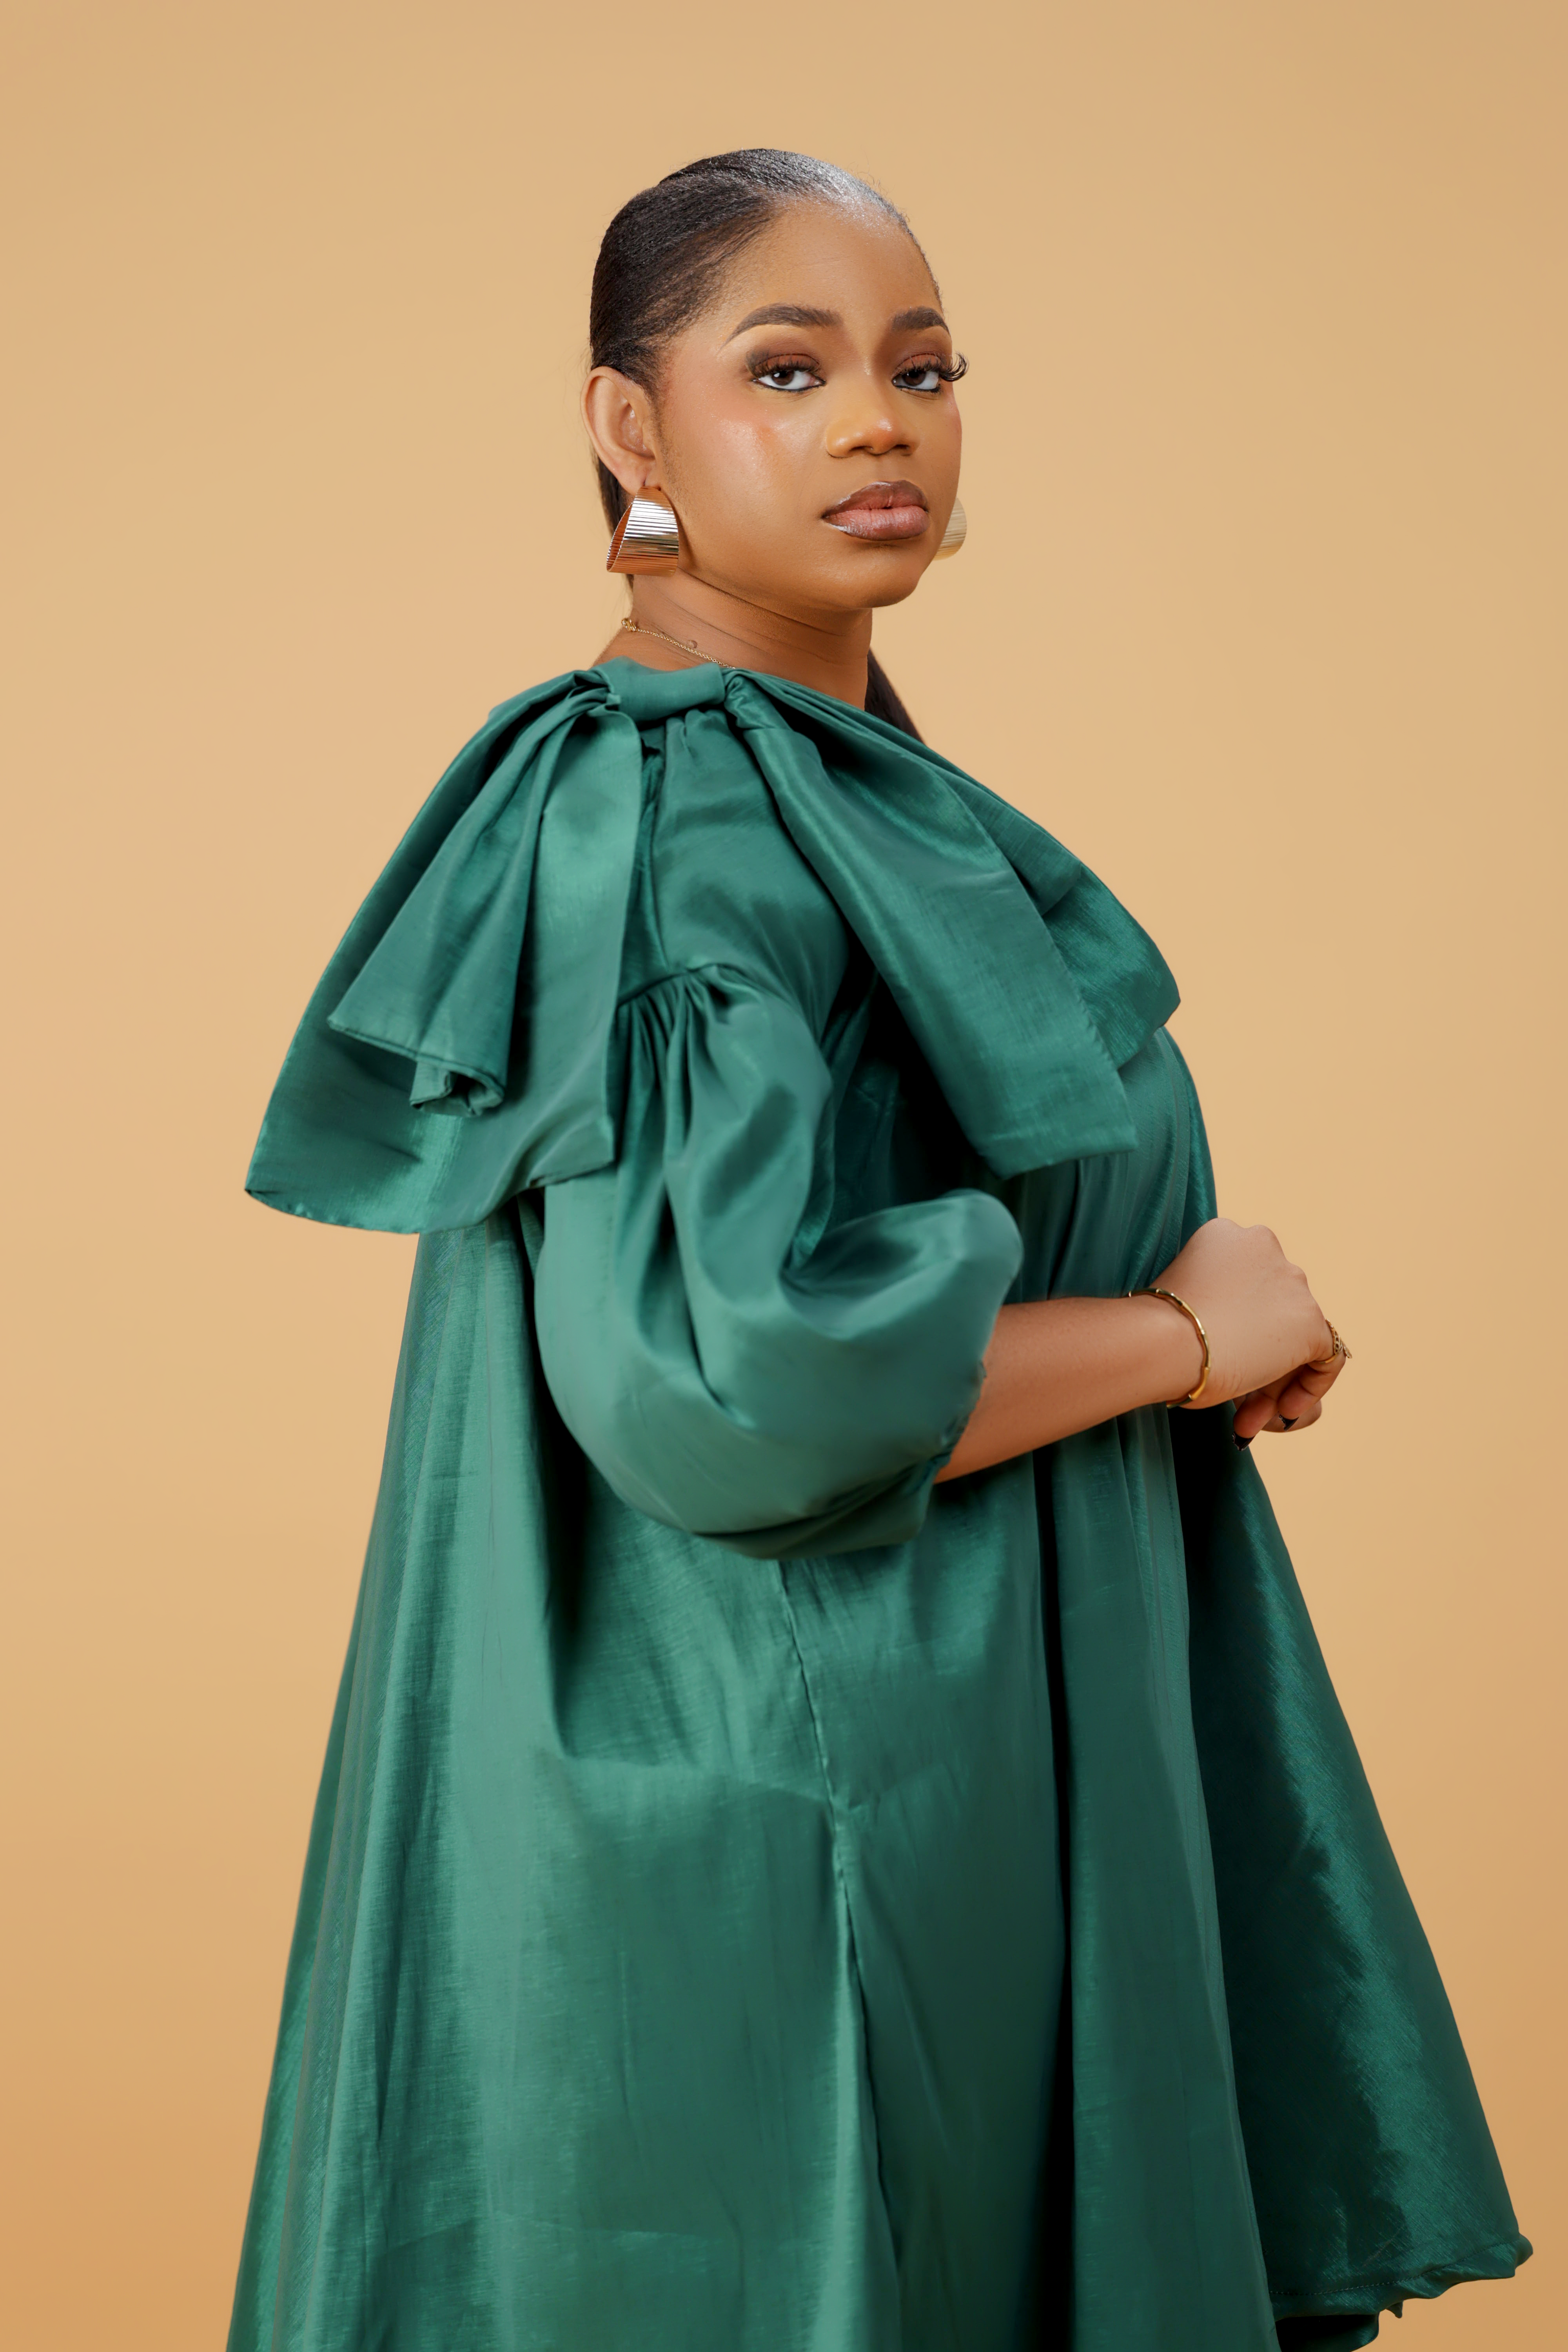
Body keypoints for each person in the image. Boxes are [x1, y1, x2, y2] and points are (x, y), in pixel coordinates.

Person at [229, 151, 1527, 2352]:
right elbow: (738, 1385)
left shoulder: (819, 779)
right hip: (791, 1816)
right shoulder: (666, 819)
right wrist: (1174, 1338)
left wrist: (1172, 1334)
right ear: (633, 434)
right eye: (789, 368)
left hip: (926, 1779)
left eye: (923, 371)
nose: (877, 425)